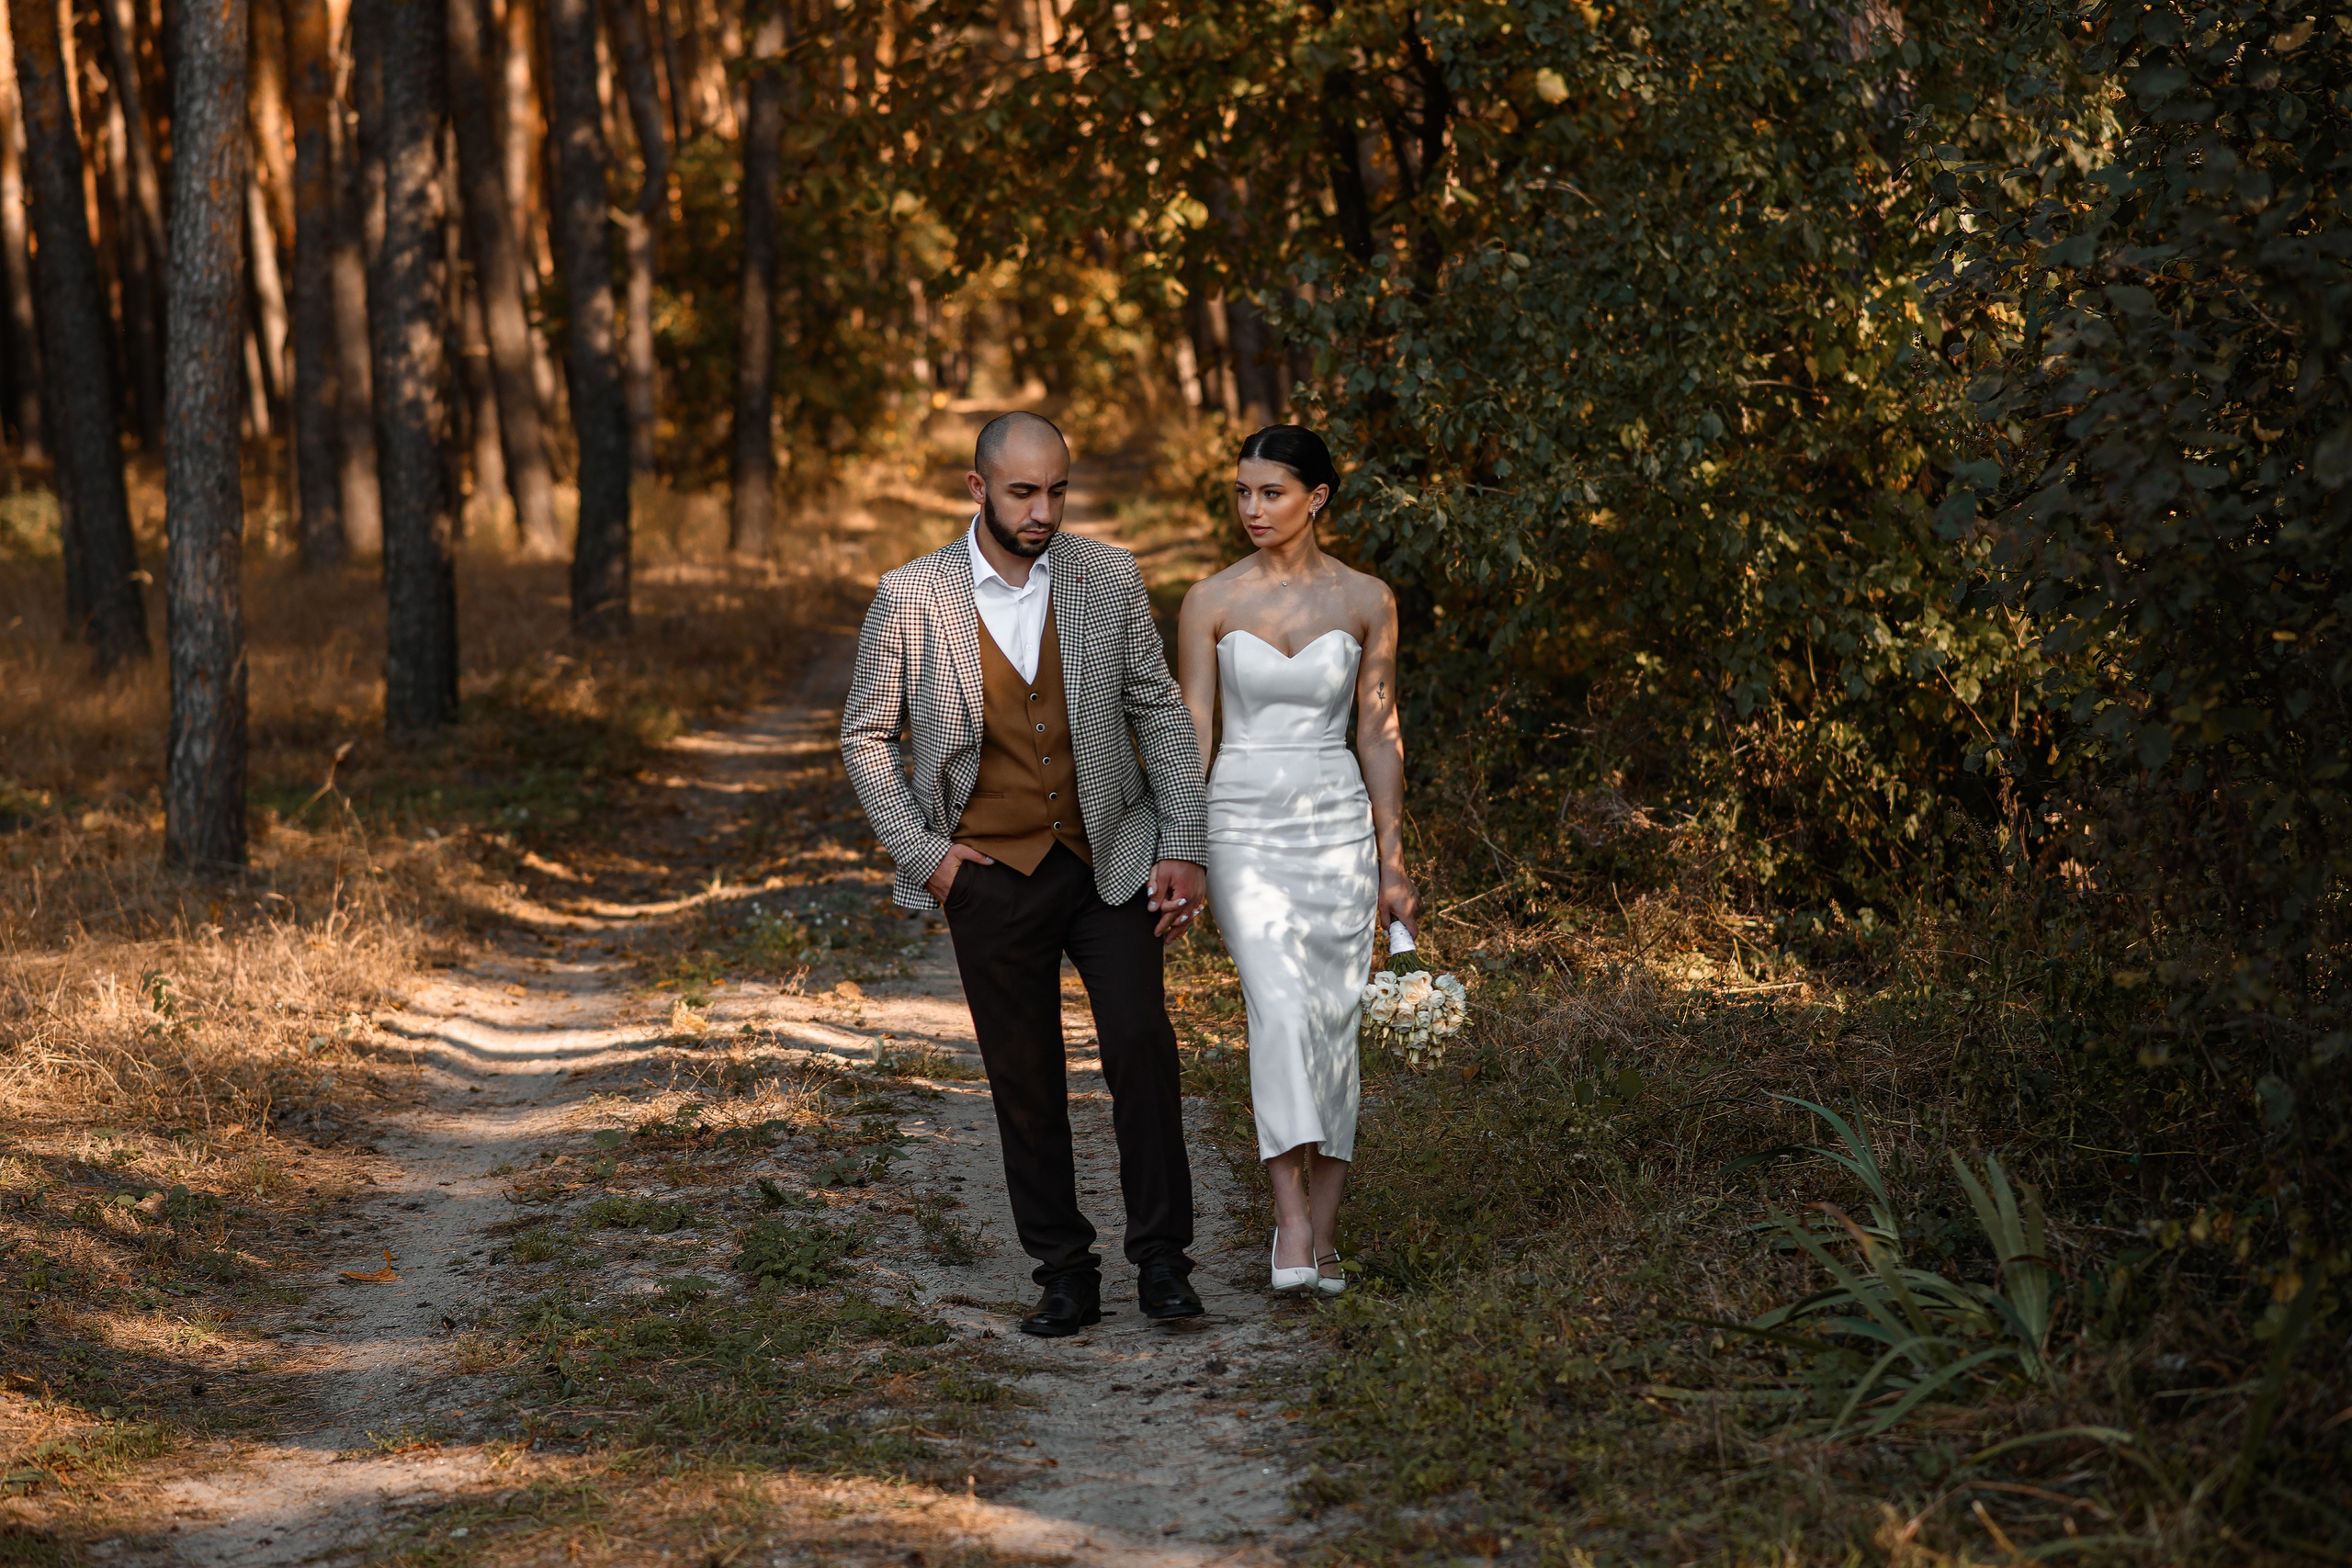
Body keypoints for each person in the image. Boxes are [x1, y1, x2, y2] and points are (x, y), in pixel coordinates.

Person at [840, 411, 1212, 1337]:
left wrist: (1183, 842)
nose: (1042, 510)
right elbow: (864, 735)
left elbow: (1158, 714)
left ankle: (1163, 1263)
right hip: (986, 873)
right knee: (1025, 1075)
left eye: (1056, 491)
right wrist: (926, 860)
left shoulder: (1106, 576)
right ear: (978, 490)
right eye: (1022, 493)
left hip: (1109, 856)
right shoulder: (910, 595)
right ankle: (1064, 1271)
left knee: (1140, 1045)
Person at [1176, 423, 1417, 1295]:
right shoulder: (1210, 600)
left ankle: (1327, 1228)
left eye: (1270, 493)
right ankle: (1288, 1221)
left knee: (1334, 1022)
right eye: (1241, 492)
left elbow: (1378, 730)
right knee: (1278, 1010)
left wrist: (1392, 860)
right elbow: (1194, 731)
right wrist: (1183, 845)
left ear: (1316, 498)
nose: (1251, 508)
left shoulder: (1367, 598)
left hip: (1336, 824)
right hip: (1241, 820)